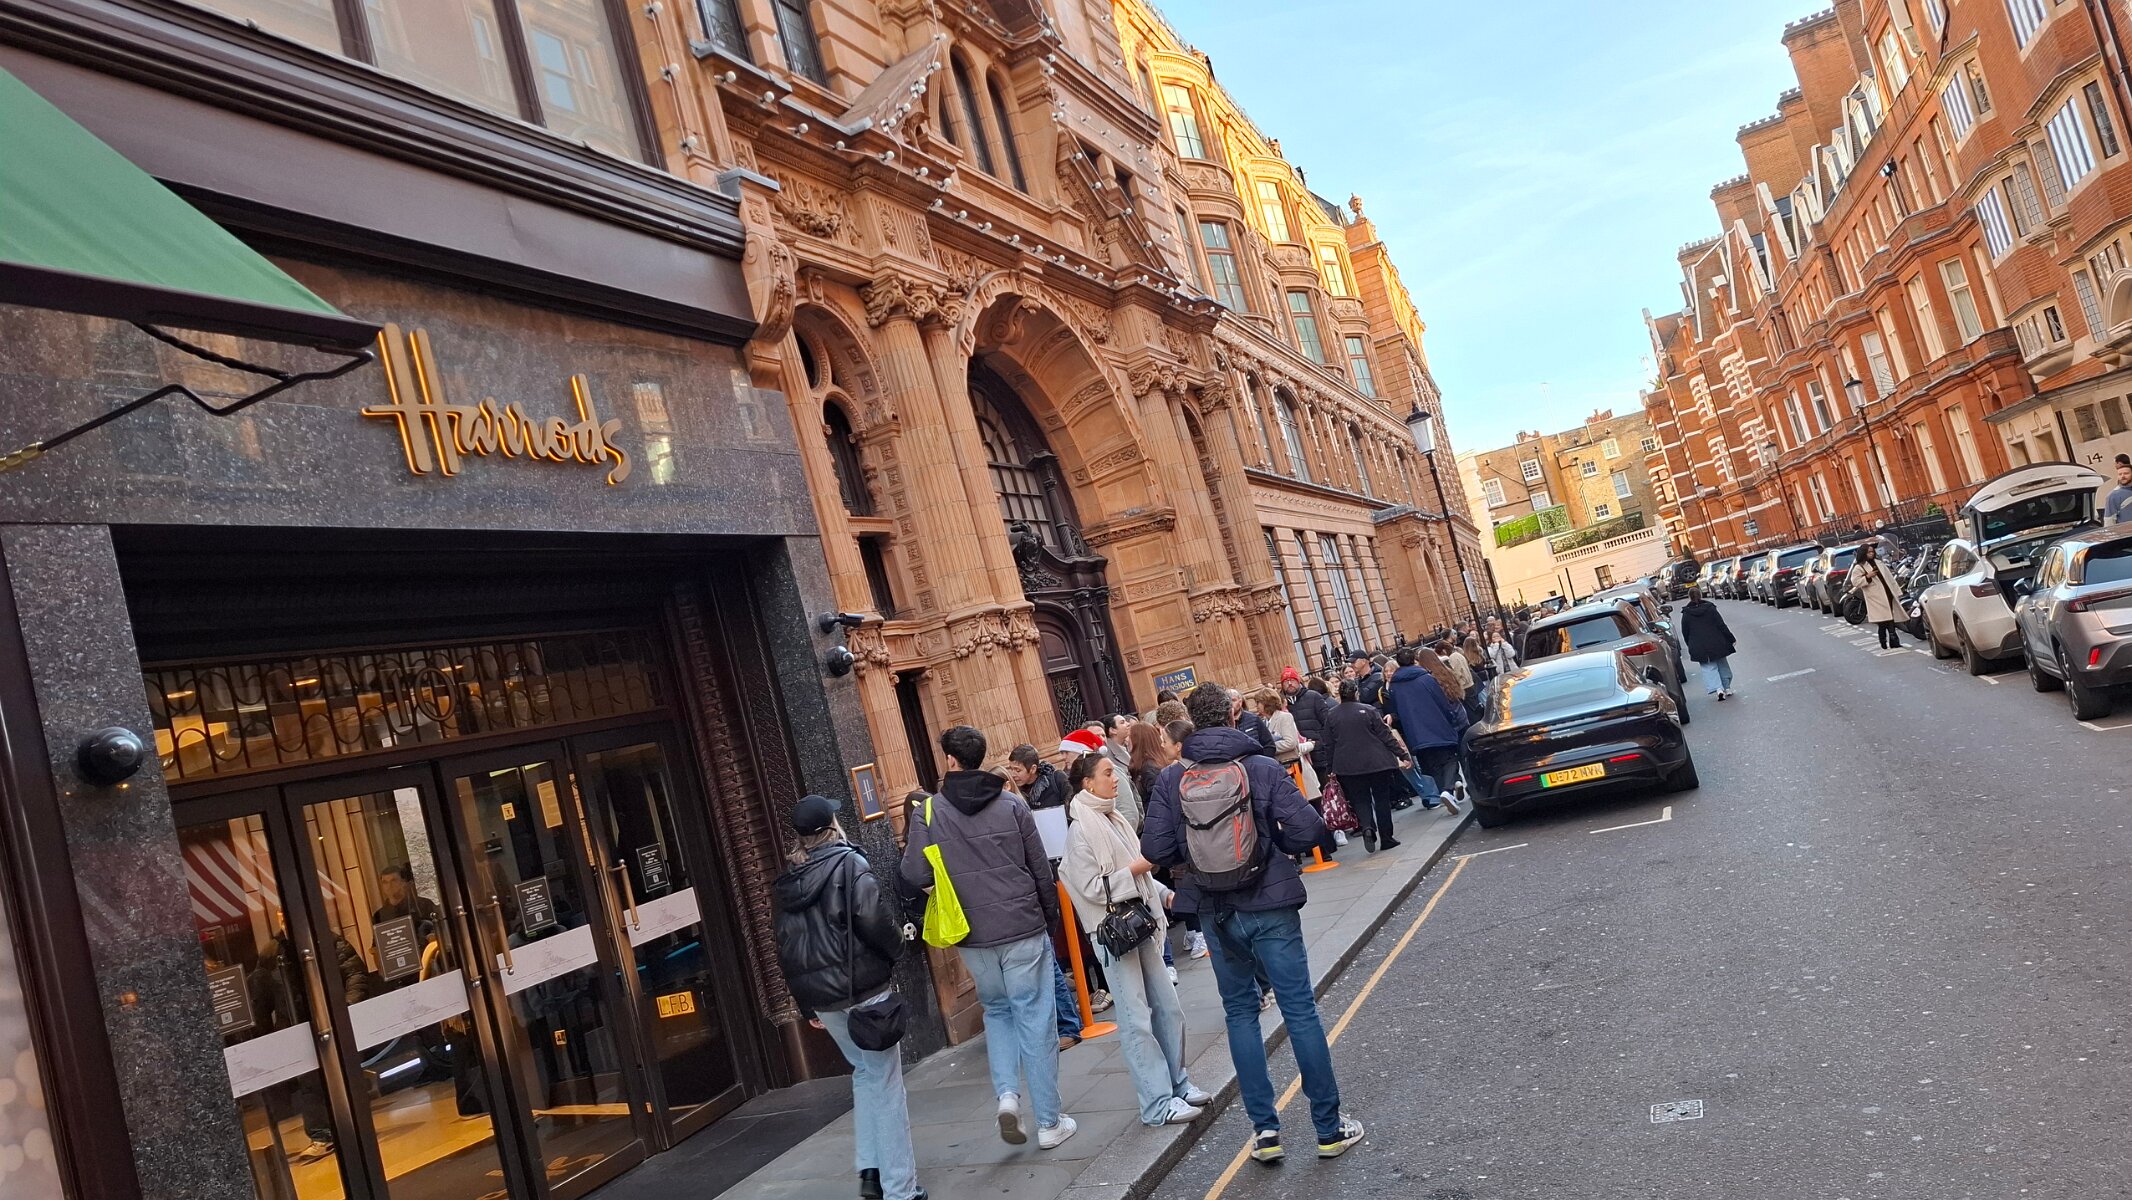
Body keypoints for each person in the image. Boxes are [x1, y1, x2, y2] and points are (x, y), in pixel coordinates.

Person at [1140, 684, 1365, 1164]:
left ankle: (1265, 1133)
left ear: (1191, 722)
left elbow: (1155, 850)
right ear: (1232, 714)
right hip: (1270, 904)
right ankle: (1328, 1130)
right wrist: (1268, 847)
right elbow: (1309, 829)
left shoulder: (1172, 779)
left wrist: (1198, 856)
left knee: (1240, 1014)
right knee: (1299, 1011)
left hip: (1214, 910)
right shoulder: (1260, 766)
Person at [901, 726, 1076, 1149]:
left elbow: (913, 871)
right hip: (1022, 925)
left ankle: (1007, 1097)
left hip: (972, 933)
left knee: (997, 1012)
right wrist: (1047, 917)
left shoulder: (928, 812)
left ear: (950, 760)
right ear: (980, 757)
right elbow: (1040, 868)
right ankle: (1049, 1122)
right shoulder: (1011, 803)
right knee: (1035, 1017)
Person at [773, 795, 924, 1200]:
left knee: (864, 1072)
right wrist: (897, 949)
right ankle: (900, 1189)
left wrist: (807, 1003)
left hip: (824, 998)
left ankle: (871, 1172)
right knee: (886, 1083)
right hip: (863, 990)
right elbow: (874, 919)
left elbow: (786, 946)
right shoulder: (849, 864)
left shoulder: (788, 881)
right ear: (832, 826)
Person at [1060, 753, 1212, 1126]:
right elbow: (1090, 887)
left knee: (1168, 1008)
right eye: (1107, 773)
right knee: (1135, 1019)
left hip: (1139, 922)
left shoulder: (1111, 818)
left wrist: (1163, 895)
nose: (1115, 778)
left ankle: (1178, 1084)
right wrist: (1138, 869)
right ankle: (1157, 1104)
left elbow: (1137, 874)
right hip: (1114, 933)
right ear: (1087, 783)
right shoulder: (1081, 831)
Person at [1318, 679, 1411, 853]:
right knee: (1382, 799)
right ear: (1356, 693)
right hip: (1377, 762)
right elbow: (1385, 736)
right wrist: (1402, 755)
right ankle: (1386, 838)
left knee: (1360, 799)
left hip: (1348, 767)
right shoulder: (1369, 710)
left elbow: (1329, 745)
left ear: (1340, 695)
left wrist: (1330, 768)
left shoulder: (1331, 716)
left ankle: (1367, 827)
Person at [1385, 647, 1467, 815]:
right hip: (1437, 725)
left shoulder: (1394, 686)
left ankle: (1447, 790)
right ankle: (1449, 789)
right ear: (1413, 660)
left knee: (1432, 765)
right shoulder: (1426, 678)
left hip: (1415, 732)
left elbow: (1397, 708)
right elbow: (1442, 702)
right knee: (1450, 758)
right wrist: (1451, 718)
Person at [1675, 586, 1739, 699]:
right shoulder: (1710, 608)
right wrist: (1731, 638)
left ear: (1689, 597)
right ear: (1700, 594)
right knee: (1722, 664)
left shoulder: (1686, 613)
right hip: (1716, 642)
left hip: (1699, 646)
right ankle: (1727, 687)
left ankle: (1718, 689)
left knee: (1708, 667)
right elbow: (1721, 625)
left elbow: (1685, 632)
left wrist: (1690, 645)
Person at [1846, 541, 1905, 651]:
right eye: (1869, 552)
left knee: (1890, 617)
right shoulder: (1859, 567)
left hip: (1887, 593)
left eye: (1872, 552)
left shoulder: (1879, 562)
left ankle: (1893, 641)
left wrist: (1897, 591)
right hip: (1875, 597)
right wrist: (1868, 576)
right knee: (1883, 621)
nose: (1871, 554)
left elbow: (1889, 578)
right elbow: (1856, 582)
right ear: (1863, 553)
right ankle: (1885, 640)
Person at [1005, 743, 1070, 813]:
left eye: (1018, 770)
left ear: (1033, 769)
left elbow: (1073, 807)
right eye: (1011, 769)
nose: (1012, 775)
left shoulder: (1057, 779)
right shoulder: (1013, 792)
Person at [1229, 688, 1279, 757]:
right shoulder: (1222, 724)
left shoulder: (1254, 719)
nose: (1230, 704)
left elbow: (1269, 745)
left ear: (1240, 702)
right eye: (1227, 701)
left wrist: (1262, 760)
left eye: (1233, 700)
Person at [2107, 454, 2132, 526]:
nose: (2122, 476)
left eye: (2126, 473)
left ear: (2119, 463)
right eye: (2120, 474)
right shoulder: (2114, 495)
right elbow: (2109, 521)